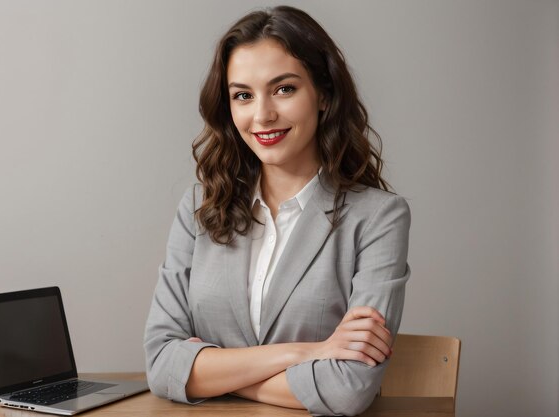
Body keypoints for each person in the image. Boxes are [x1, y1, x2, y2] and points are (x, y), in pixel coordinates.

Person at [144, 5, 410, 416]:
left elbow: (348, 390)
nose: (262, 115)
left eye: (284, 89)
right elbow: (161, 365)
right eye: (243, 95)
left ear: (323, 94)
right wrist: (312, 352)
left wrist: (216, 377)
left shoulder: (379, 217)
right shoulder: (200, 206)